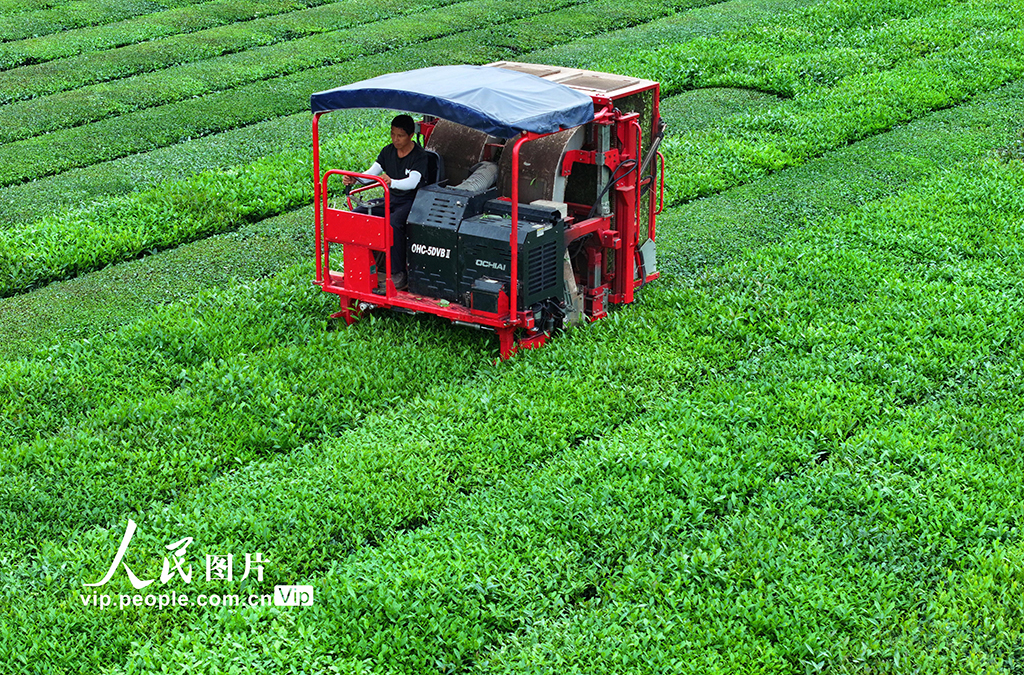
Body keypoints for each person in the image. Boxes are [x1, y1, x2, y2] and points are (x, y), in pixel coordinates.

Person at [342, 114, 428, 290]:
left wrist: (391, 182)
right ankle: (364, 264)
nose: (395, 139)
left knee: (394, 223)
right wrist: (356, 179)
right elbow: (372, 173)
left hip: (413, 201)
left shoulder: (420, 156)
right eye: (393, 134)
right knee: (359, 213)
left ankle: (398, 273)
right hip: (392, 198)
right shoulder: (388, 151)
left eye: (400, 136)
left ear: (411, 135)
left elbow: (413, 182)